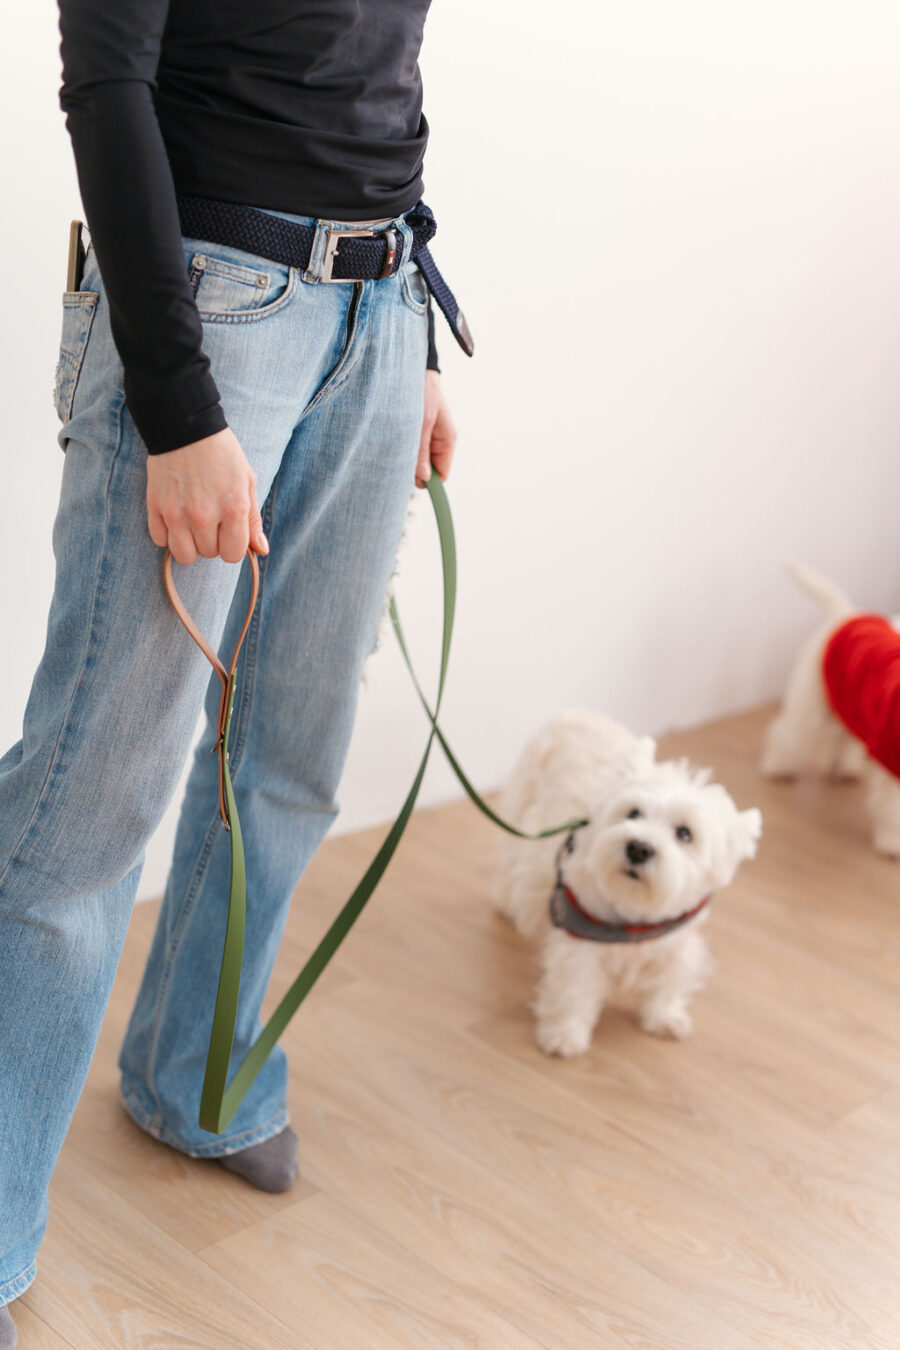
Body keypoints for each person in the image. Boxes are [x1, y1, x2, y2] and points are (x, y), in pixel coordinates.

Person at [0, 1, 460, 1341]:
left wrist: (414, 319)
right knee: (90, 788)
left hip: (376, 305)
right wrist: (180, 406)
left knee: (292, 750)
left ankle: (192, 1078)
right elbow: (107, 83)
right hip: (218, 304)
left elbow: (382, 69)